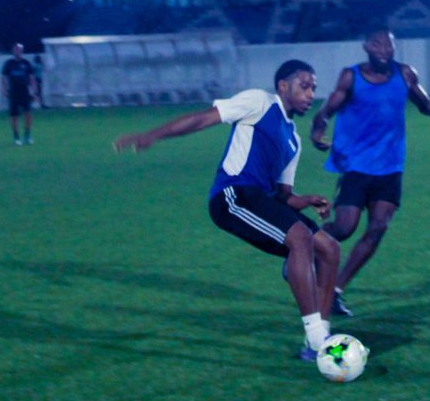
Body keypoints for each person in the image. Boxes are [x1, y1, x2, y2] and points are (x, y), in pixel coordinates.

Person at [113, 60, 339, 362]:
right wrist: (152, 135)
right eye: (304, 86)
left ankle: (318, 338)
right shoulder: (260, 102)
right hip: (232, 195)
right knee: (300, 238)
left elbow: (283, 197)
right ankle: (316, 338)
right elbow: (203, 119)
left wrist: (307, 199)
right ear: (283, 86)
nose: (311, 93)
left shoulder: (293, 140)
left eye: (313, 88)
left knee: (329, 249)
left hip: (261, 199)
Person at [310, 27, 430, 318]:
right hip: (356, 164)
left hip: (390, 167)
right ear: (366, 46)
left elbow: (427, 105)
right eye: (378, 44)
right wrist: (318, 128)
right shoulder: (351, 76)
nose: (385, 50)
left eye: (390, 45)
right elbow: (326, 110)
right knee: (345, 227)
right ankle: (306, 244)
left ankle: (335, 290)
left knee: (378, 228)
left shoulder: (406, 74)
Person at [1, 43, 38, 145]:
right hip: (13, 92)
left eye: (19, 50)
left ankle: (27, 135)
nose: (17, 51)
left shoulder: (26, 63)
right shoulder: (9, 63)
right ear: (13, 51)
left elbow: (32, 78)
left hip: (25, 92)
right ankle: (16, 136)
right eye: (15, 49)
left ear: (22, 51)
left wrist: (34, 92)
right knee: (14, 115)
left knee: (28, 114)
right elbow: (3, 78)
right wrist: (4, 90)